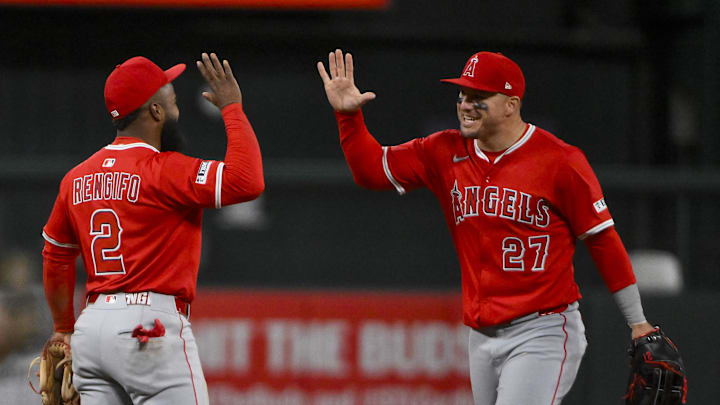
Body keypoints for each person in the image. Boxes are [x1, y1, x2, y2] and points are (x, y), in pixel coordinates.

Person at [317, 49, 656, 404]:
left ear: (511, 104)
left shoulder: (561, 161)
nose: (466, 104)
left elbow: (602, 239)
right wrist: (347, 115)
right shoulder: (444, 150)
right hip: (481, 334)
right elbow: (371, 171)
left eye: (479, 97)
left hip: (543, 329)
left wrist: (637, 321)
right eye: (463, 95)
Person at [41, 52, 264, 405]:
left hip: (91, 329)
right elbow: (246, 181)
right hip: (147, 327)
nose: (177, 109)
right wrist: (233, 109)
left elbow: (55, 257)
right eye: (172, 102)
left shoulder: (76, 178)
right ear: (156, 112)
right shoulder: (164, 169)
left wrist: (63, 328)